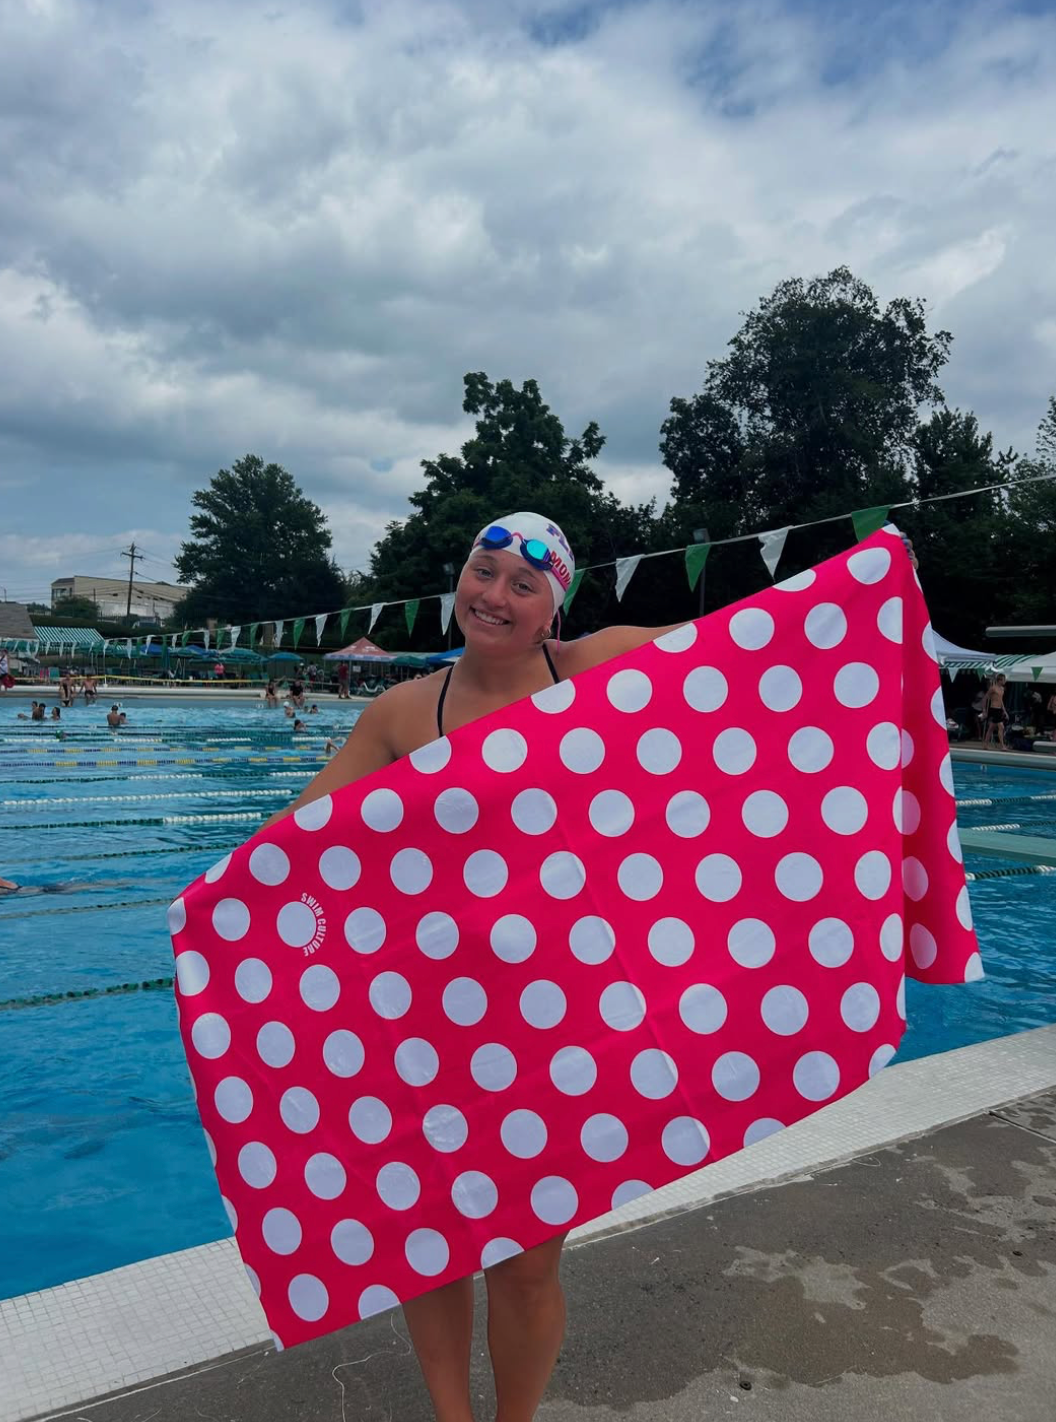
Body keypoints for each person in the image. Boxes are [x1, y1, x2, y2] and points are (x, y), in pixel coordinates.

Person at [255, 514, 919, 1422]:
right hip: (432, 1029)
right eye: (482, 573)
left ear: (550, 606)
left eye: (522, 586)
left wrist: (865, 586)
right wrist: (200, 913)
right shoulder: (405, 712)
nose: (494, 596)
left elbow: (757, 644)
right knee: (427, 1243)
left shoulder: (598, 665)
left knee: (527, 1262)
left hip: (551, 1030)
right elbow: (288, 850)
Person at [982, 674, 1009, 749]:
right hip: (993, 709)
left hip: (999, 709)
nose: (1005, 681)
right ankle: (1002, 746)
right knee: (1001, 727)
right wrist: (984, 710)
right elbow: (985, 699)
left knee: (991, 728)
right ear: (1000, 680)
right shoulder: (993, 688)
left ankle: (985, 745)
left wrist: (1004, 711)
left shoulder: (1002, 689)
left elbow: (1001, 701)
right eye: (1004, 679)